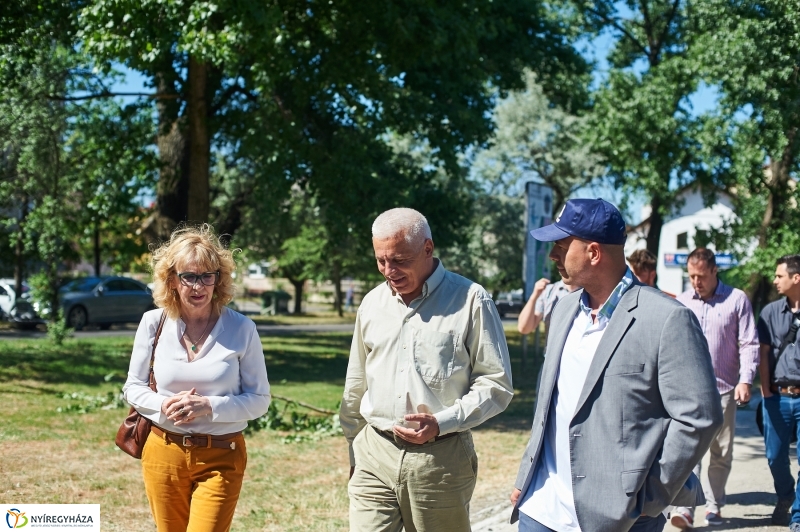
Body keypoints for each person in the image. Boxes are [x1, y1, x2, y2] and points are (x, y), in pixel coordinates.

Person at [509, 198, 723, 532]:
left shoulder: (666, 319)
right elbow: (549, 405)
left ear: (593, 252)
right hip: (541, 509)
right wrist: (528, 474)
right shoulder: (563, 310)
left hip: (620, 518)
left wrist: (649, 498)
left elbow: (699, 417)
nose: (552, 256)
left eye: (561, 246)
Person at [340, 207, 514, 532]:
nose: (389, 271)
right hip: (374, 453)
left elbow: (496, 384)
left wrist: (441, 422)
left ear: (428, 249)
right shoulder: (371, 303)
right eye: (381, 260)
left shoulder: (472, 300)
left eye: (400, 260)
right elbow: (356, 381)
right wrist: (355, 448)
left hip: (441, 460)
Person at [123, 224, 271, 532]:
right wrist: (163, 405)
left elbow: (260, 401)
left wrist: (209, 406)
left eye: (207, 276)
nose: (198, 286)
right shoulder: (153, 323)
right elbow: (133, 387)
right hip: (163, 452)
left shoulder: (242, 329)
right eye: (188, 276)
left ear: (219, 280)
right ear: (172, 280)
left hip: (222, 454)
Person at [670, 248, 759, 528]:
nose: (696, 282)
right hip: (689, 392)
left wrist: (746, 379)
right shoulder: (683, 302)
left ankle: (714, 506)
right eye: (691, 276)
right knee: (689, 451)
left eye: (701, 276)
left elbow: (748, 342)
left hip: (724, 389)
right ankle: (685, 509)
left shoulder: (736, 300)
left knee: (721, 452)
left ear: (714, 271)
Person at [757, 254, 800, 529]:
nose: (774, 280)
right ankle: (786, 495)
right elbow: (762, 354)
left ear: (796, 278)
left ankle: (797, 518)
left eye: (779, 276)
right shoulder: (770, 313)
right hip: (777, 396)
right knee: (775, 457)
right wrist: (765, 393)